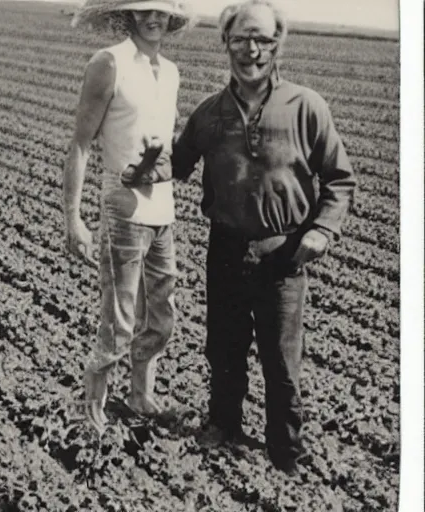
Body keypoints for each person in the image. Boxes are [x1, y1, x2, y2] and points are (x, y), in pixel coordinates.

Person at [171, 0, 357, 475]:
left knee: (281, 360)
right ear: (225, 43)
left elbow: (339, 178)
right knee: (224, 349)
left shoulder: (305, 105)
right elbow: (175, 165)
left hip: (283, 253)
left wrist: (322, 229)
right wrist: (142, 150)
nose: (251, 50)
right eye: (240, 39)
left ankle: (285, 450)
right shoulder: (209, 113)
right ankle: (223, 424)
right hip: (226, 249)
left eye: (263, 40)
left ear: (278, 44)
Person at [63, 0, 193, 435]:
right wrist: (74, 218)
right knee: (119, 318)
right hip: (123, 207)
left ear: (172, 18)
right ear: (128, 16)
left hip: (163, 209)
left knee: (162, 314)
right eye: (143, 10)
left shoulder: (171, 71)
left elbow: (166, 146)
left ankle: (141, 395)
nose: (154, 17)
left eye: (161, 10)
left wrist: (164, 165)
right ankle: (92, 405)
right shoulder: (108, 63)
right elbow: (80, 143)